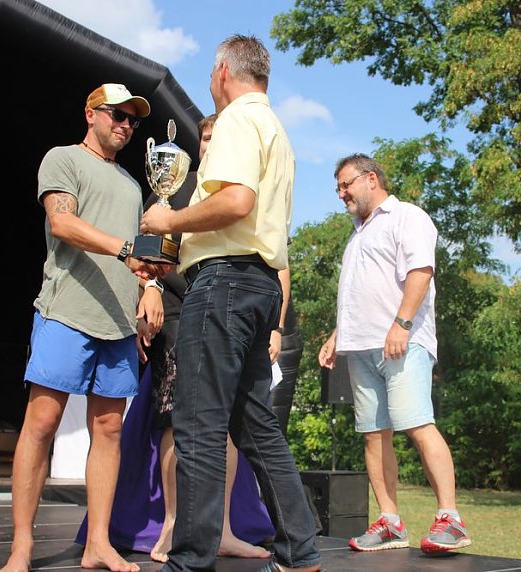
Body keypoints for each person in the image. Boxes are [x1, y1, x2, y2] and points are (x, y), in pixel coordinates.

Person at [139, 34, 321, 572]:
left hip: (223, 285)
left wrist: (168, 220)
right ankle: (300, 552)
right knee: (257, 427)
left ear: (222, 69)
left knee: (198, 425)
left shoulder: (239, 119)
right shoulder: (276, 129)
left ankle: (190, 560)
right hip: (258, 284)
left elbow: (236, 201)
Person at [74, 113, 275, 563]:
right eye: (205, 137)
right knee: (174, 419)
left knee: (225, 425)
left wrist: (276, 325)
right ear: (198, 143)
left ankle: (220, 528)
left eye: (217, 136)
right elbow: (145, 250)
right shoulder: (174, 186)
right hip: (180, 314)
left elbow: (271, 254)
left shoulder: (239, 189)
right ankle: (171, 524)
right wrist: (149, 291)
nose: (210, 144)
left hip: (229, 317)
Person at [1, 83, 165, 572]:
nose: (126, 125)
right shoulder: (63, 159)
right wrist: (124, 250)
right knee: (42, 424)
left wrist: (150, 288)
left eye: (133, 120)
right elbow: (63, 225)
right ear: (90, 113)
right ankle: (22, 547)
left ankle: (97, 544)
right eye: (117, 114)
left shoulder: (135, 187)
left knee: (109, 430)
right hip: (65, 313)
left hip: (117, 324)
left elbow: (138, 258)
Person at [317, 153, 471, 555]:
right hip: (361, 346)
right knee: (373, 435)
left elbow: (421, 271)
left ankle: (450, 520)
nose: (341, 194)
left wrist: (401, 325)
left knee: (418, 424)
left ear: (371, 178)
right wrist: (338, 335)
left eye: (346, 184)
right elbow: (361, 293)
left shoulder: (407, 216)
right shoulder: (357, 233)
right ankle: (389, 521)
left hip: (402, 341)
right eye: (338, 188)